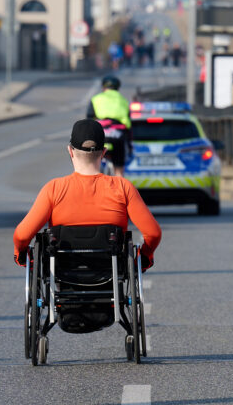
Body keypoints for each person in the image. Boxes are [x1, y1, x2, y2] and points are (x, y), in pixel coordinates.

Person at [12, 120, 161, 331]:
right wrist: (144, 257)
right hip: (110, 268)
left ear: (70, 151)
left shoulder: (54, 189)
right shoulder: (122, 187)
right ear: (104, 152)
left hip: (64, 270)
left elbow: (22, 235)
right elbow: (153, 233)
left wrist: (21, 254)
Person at [86, 75, 131, 176]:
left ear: (103, 87)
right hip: (118, 135)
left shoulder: (96, 99)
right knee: (119, 169)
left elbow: (89, 120)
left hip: (101, 135)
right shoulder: (123, 100)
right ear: (117, 88)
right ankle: (119, 181)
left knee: (91, 166)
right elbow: (128, 125)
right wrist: (130, 146)